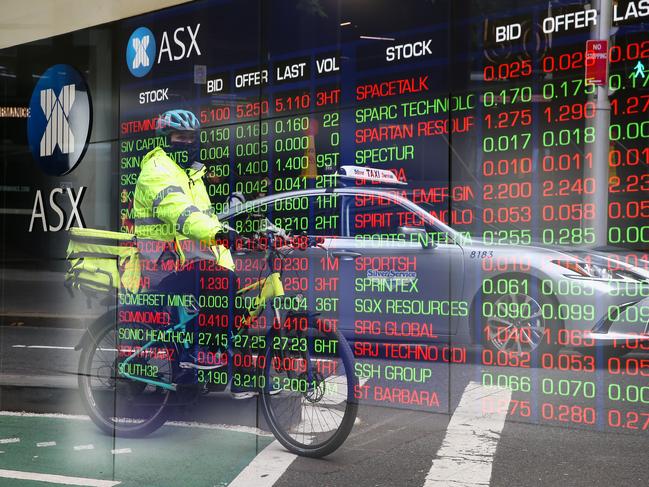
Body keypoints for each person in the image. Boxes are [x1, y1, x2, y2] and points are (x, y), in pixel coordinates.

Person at [133, 109, 256, 399]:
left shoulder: (193, 175)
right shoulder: (156, 170)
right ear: (165, 140)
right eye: (179, 137)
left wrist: (238, 234)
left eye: (191, 138)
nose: (187, 144)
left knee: (234, 305)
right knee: (219, 284)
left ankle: (238, 377)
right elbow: (181, 213)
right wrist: (219, 235)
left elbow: (206, 218)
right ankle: (200, 354)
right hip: (162, 264)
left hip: (188, 262)